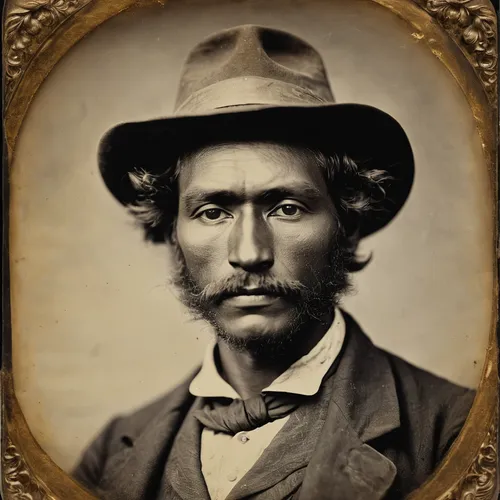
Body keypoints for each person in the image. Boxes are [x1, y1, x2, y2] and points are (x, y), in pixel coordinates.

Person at [72, 25, 475, 500]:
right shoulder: (112, 450)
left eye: (287, 207)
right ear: (172, 235)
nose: (249, 253)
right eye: (212, 211)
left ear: (349, 223)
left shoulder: (458, 432)